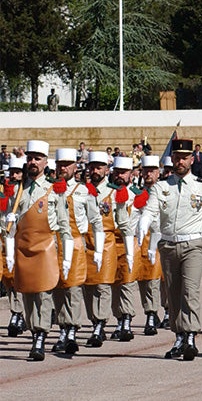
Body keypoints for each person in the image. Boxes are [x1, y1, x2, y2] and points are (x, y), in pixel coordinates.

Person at [138, 138, 202, 361]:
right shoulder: (161, 186)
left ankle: (191, 336)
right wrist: (143, 223)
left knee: (190, 290)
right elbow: (150, 209)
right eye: (176, 158)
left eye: (184, 158)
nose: (180, 162)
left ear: (192, 159)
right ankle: (178, 336)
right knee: (173, 294)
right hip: (168, 245)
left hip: (192, 245)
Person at [3, 140, 73, 361]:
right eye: (30, 158)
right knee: (27, 293)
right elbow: (8, 225)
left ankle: (40, 337)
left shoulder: (54, 189)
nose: (33, 162)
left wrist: (67, 257)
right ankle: (35, 329)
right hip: (24, 248)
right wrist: (8, 224)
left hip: (45, 247)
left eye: (37, 158)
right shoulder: (19, 189)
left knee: (43, 294)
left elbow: (63, 224)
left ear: (45, 162)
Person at [51, 148, 103, 356]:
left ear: (75, 167)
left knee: (73, 288)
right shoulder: (51, 190)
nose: (63, 168)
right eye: (60, 164)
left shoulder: (84, 191)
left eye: (67, 164)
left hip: (75, 242)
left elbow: (96, 221)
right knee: (57, 289)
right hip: (54, 243)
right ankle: (63, 329)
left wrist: (98, 250)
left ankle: (72, 329)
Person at [82, 151, 118, 348]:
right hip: (85, 241)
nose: (95, 171)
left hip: (106, 242)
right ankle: (95, 321)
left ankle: (100, 323)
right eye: (92, 167)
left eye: (99, 167)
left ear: (106, 170)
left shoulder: (113, 193)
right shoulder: (82, 191)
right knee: (88, 286)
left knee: (103, 284)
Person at [105, 157, 139, 343]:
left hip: (128, 242)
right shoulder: (107, 194)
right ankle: (118, 318)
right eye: (117, 172)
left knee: (126, 281)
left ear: (130, 174)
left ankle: (126, 319)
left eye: (123, 172)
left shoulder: (137, 195)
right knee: (113, 283)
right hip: (110, 242)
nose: (119, 175)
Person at [132, 155, 164, 335]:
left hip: (160, 239)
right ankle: (151, 311)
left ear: (158, 172)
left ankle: (157, 312)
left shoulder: (164, 191)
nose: (148, 174)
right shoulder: (137, 193)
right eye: (146, 170)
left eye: (152, 170)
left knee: (157, 280)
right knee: (144, 279)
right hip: (141, 241)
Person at [2, 156, 26, 337]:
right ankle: (16, 312)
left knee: (21, 278)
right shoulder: (5, 190)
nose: (14, 176)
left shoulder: (25, 190)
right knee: (9, 278)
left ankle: (19, 313)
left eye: (17, 172)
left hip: (22, 239)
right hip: (5, 238)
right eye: (11, 173)